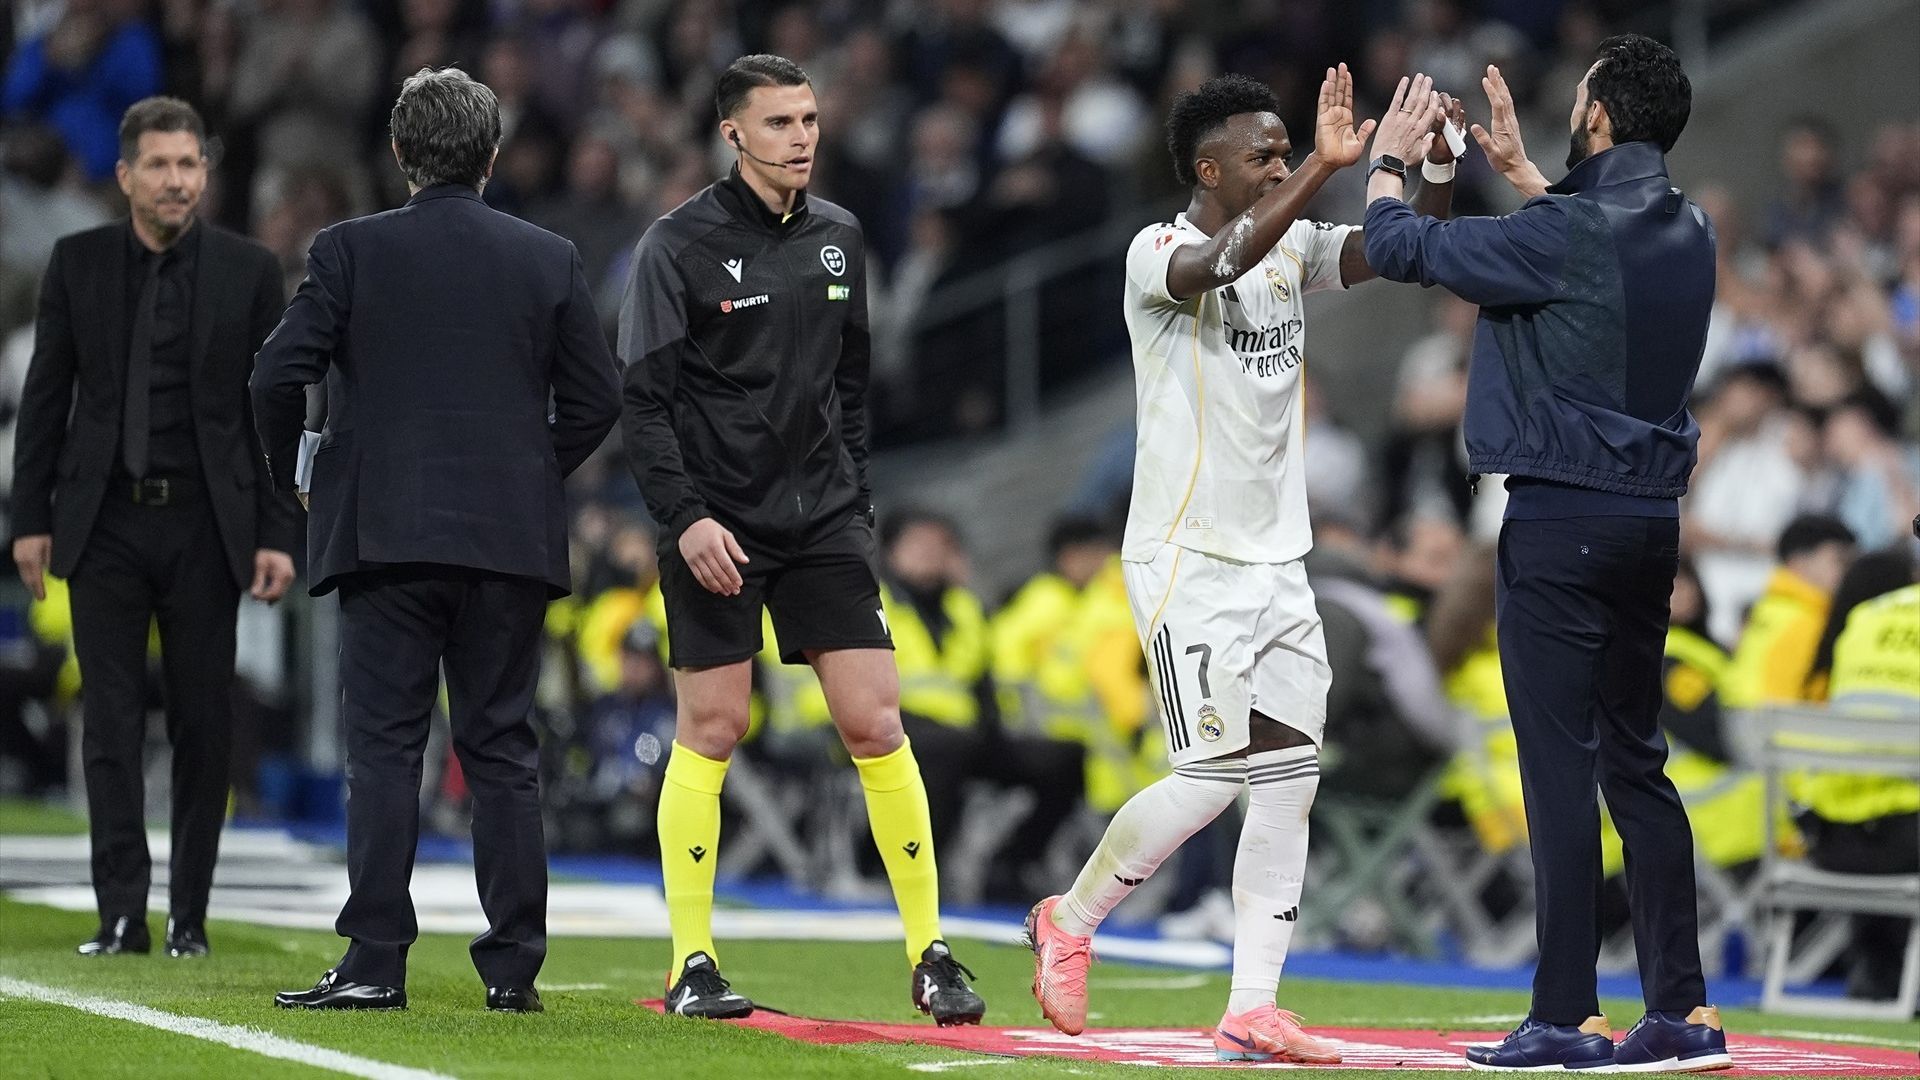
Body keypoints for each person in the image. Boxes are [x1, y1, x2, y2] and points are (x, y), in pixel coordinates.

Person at [1026, 66, 1461, 1063]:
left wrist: (1431, 165)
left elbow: (1403, 258)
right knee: (1210, 773)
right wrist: (1327, 163)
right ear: (1208, 168)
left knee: (1290, 779)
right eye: (1263, 153)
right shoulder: (1159, 252)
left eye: (1284, 150)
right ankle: (1072, 918)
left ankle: (1252, 1003)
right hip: (1189, 558)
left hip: (1280, 560)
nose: (1279, 163)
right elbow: (1221, 263)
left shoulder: (1292, 245)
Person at [1361, 35, 1733, 1071]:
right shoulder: (1691, 228)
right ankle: (1683, 1015)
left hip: (1561, 522)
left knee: (1559, 773)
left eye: (1579, 104)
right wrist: (1529, 178)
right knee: (1636, 763)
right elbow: (1592, 263)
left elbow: (1398, 249)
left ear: (1602, 118)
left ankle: (1566, 1015)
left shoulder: (1566, 232)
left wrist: (1391, 163)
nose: (1568, 114)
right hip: (1651, 526)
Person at [617, 53, 986, 1025]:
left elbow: (852, 388)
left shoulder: (841, 238)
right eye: (779, 123)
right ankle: (691, 960)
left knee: (876, 723)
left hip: (821, 520)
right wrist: (686, 518)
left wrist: (854, 497)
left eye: (811, 120)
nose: (802, 138)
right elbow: (644, 407)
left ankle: (931, 952)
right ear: (732, 134)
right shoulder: (676, 246)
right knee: (715, 727)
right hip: (715, 524)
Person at [255, 67, 620, 1013]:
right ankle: (514, 974)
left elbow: (273, 377)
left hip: (384, 535)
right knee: (501, 748)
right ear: (492, 157)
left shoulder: (347, 251)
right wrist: (529, 469)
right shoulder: (548, 257)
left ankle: (375, 959)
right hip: (508, 536)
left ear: (399, 152)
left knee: (382, 748)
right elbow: (597, 399)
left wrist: (295, 473)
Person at [10, 96, 297, 959]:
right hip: (103, 525)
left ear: (205, 175)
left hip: (208, 528)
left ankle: (190, 918)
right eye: (161, 165)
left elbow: (274, 412)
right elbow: (45, 399)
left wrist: (277, 529)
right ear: (127, 175)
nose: (178, 180)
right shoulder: (76, 263)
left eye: (191, 165)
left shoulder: (250, 271)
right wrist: (31, 520)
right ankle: (121, 914)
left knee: (205, 721)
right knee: (108, 722)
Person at [1722, 515, 1856, 708]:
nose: (1847, 572)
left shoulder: (1766, 608)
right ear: (1798, 563)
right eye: (1839, 561)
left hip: (1739, 722)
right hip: (1777, 729)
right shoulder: (1810, 620)